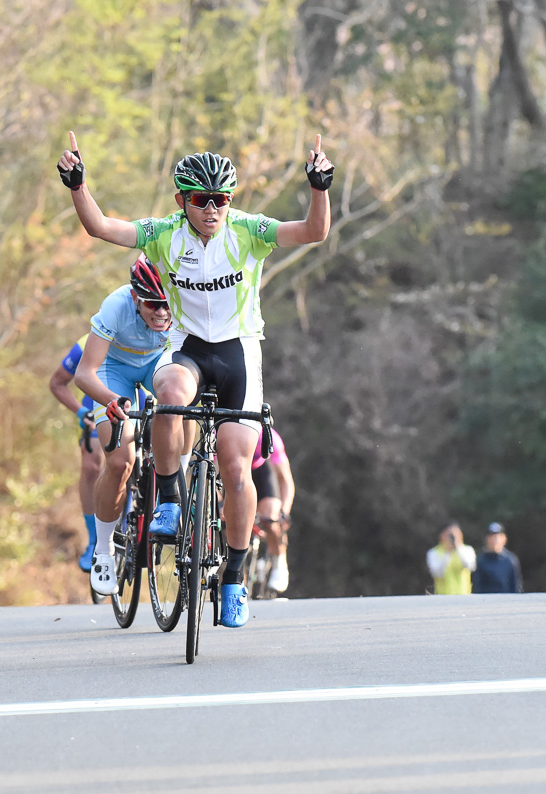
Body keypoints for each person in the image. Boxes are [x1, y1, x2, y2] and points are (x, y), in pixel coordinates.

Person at [57, 132, 333, 627]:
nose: (213, 209)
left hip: (240, 353)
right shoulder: (164, 234)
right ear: (182, 201)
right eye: (202, 200)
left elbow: (313, 232)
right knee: (169, 396)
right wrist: (78, 185)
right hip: (187, 348)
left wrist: (319, 188)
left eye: (221, 200)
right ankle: (168, 498)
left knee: (234, 465)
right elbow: (101, 227)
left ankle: (233, 575)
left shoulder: (249, 230)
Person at [73, 256, 172, 595]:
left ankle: (179, 487)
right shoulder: (116, 306)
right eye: (152, 304)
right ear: (135, 298)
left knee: (178, 404)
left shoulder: (187, 300)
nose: (161, 313)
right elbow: (83, 373)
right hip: (113, 371)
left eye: (167, 304)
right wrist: (110, 401)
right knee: (120, 462)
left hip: (158, 363)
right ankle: (103, 549)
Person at [49, 334, 105, 572]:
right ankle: (94, 540)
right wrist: (81, 411)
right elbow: (57, 383)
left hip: (139, 399)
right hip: (95, 408)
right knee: (92, 466)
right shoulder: (88, 342)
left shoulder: (157, 334)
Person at [251, 427, 295, 593]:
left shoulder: (270, 438)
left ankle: (279, 563)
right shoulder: (221, 431)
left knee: (270, 519)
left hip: (262, 472)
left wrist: (284, 511)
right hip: (235, 471)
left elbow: (286, 481)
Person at [426, 522, 477, 595]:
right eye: (449, 534)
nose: (453, 537)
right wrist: (447, 553)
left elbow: (470, 566)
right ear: (442, 535)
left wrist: (458, 548)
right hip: (442, 597)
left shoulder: (467, 550)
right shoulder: (434, 552)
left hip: (464, 596)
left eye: (456, 534)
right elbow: (437, 573)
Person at [472, 522, 523, 594]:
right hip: (486, 602)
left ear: (504, 539)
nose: (495, 540)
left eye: (497, 537)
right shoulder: (481, 561)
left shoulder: (511, 560)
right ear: (487, 539)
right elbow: (477, 587)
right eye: (492, 537)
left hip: (507, 602)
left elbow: (516, 587)